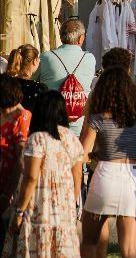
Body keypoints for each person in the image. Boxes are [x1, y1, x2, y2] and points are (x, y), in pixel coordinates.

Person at [79, 68, 136, 258]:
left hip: (104, 176)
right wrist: (135, 155)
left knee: (90, 240)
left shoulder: (98, 118)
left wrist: (97, 154)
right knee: (129, 249)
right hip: (129, 178)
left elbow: (82, 153)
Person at [9, 91, 85, 255]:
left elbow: (31, 177)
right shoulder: (72, 138)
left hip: (38, 209)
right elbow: (78, 175)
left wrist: (19, 211)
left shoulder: (37, 139)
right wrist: (70, 202)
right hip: (64, 211)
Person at [35, 19, 97, 136]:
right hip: (79, 127)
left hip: (50, 125)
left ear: (61, 36)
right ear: (80, 38)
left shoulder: (46, 57)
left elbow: (34, 80)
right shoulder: (89, 58)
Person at [0, 76, 31, 217]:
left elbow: (21, 161)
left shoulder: (21, 117)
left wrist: (7, 195)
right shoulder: (5, 113)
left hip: (9, 188)